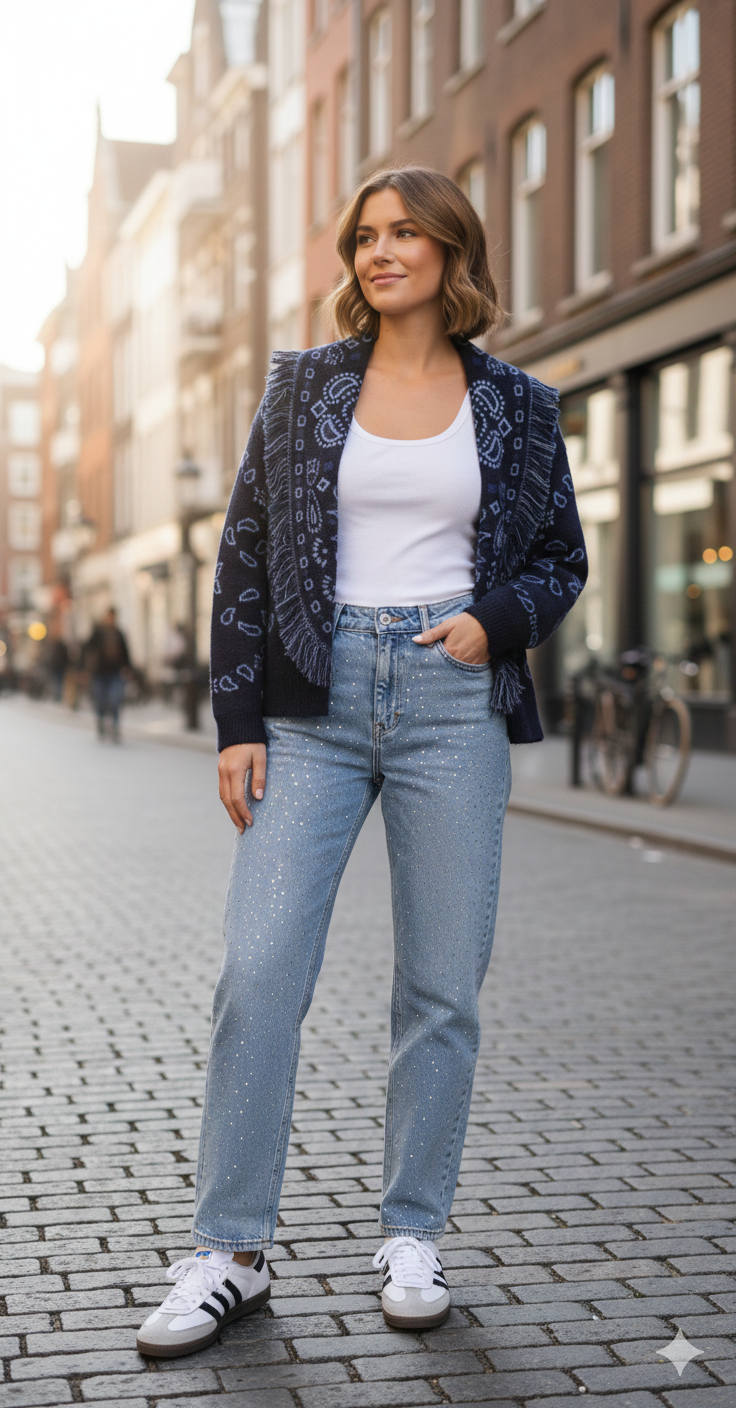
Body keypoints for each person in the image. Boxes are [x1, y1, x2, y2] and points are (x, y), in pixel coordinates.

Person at [137, 166, 587, 1358]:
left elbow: (562, 559)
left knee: (440, 987)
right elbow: (243, 557)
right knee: (260, 971)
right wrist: (238, 721)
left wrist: (501, 616)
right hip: (311, 701)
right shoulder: (300, 391)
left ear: (452, 252)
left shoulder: (519, 406)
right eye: (364, 236)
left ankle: (411, 1232)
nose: (378, 251)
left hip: (452, 695)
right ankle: (230, 1249)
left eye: (403, 233)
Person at [83, 607, 131, 741]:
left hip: (115, 673)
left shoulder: (118, 633)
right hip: (99, 673)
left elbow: (126, 652)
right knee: (100, 700)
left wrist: (128, 668)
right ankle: (101, 723)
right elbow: (86, 648)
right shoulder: (98, 633)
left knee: (115, 699)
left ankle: (115, 726)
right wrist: (84, 669)